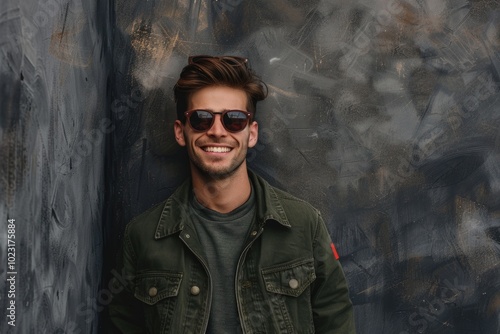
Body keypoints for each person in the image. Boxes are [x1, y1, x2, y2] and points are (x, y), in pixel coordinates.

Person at [108, 55, 355, 333]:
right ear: (181, 132)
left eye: (234, 120)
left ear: (251, 133)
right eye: (201, 119)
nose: (216, 131)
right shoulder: (143, 237)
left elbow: (337, 323)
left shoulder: (303, 226)